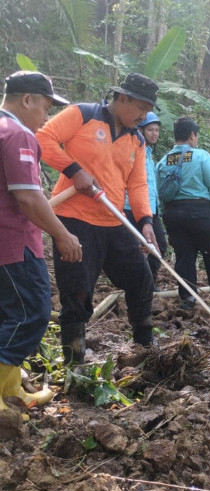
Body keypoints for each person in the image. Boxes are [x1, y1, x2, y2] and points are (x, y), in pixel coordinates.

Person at [37, 73, 161, 364]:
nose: (144, 116)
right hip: (75, 221)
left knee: (141, 278)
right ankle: (74, 358)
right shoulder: (82, 115)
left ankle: (145, 344)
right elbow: (43, 138)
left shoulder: (137, 140)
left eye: (147, 111)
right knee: (77, 290)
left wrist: (146, 221)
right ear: (123, 98)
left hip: (115, 221)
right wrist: (74, 171)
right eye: (140, 108)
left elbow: (138, 183)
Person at [0, 71, 82, 411]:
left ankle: (11, 391)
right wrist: (63, 235)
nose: (46, 118)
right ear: (27, 99)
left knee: (8, 315)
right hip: (13, 243)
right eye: (46, 107)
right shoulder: (17, 134)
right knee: (31, 314)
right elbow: (29, 199)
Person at [156, 116, 210, 310]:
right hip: (201, 213)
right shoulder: (201, 156)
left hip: (173, 215)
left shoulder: (163, 162)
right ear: (192, 135)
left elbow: (159, 193)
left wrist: (166, 214)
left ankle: (188, 299)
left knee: (184, 256)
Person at [124, 111, 168, 291]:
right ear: (140, 129)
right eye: (150, 129)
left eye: (157, 130)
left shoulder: (148, 154)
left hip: (151, 211)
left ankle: (149, 282)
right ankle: (137, 285)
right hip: (130, 208)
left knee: (160, 246)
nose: (154, 134)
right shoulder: (131, 149)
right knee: (135, 250)